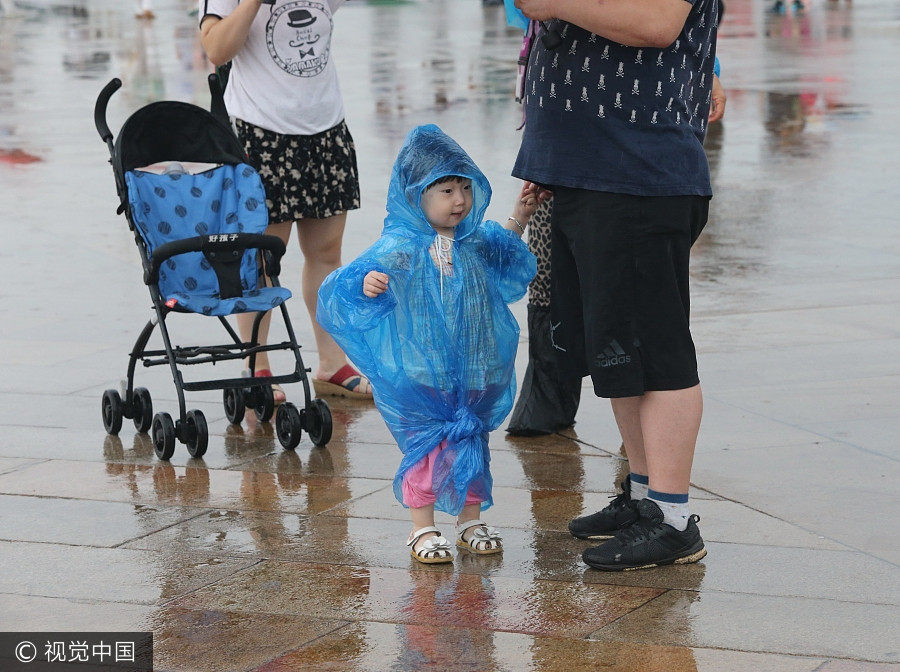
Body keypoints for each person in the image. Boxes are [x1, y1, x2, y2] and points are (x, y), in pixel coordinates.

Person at [512, 0, 719, 571]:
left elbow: (657, 23)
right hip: (586, 168)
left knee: (658, 353)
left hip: (637, 173)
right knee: (617, 350)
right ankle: (644, 495)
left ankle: (673, 521)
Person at [317, 124, 544, 563]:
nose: (459, 200)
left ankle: (470, 519)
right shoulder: (400, 247)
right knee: (428, 445)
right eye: (445, 190)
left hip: (477, 366)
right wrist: (367, 285)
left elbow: (506, 253)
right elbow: (341, 291)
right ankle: (422, 528)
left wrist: (521, 213)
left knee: (470, 440)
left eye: (464, 187)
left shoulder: (476, 241)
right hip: (424, 371)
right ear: (415, 195)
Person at [198, 0, 372, 403]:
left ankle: (331, 363)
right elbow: (216, 50)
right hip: (262, 133)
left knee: (327, 253)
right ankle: (256, 365)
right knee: (263, 260)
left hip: (326, 128)